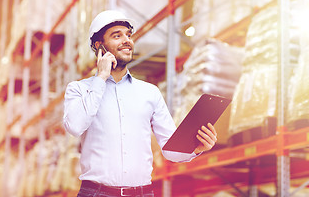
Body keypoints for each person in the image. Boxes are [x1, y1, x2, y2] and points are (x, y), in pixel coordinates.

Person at [63, 10, 218, 197]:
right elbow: (75, 126)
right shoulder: (79, 89)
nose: (126, 40)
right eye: (117, 35)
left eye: (128, 35)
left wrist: (195, 147)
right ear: (99, 45)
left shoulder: (149, 92)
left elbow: (171, 150)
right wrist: (101, 77)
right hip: (96, 193)